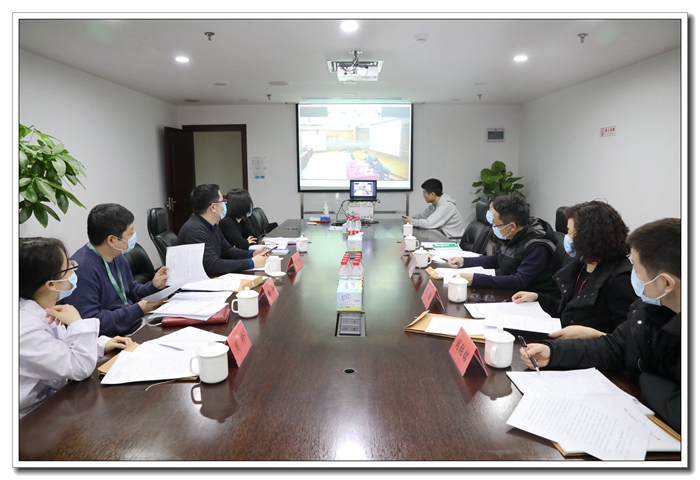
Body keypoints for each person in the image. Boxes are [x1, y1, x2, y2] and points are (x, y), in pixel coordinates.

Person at [520, 218, 681, 433]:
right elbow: (615, 346)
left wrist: (647, 381)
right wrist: (553, 352)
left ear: (666, 283)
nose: (632, 272)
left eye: (635, 268)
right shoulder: (649, 308)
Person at [19, 237, 132, 416]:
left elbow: (63, 347)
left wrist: (101, 344)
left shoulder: (41, 308)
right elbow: (79, 368)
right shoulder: (25, 330)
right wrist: (77, 323)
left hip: (54, 400)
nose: (74, 271)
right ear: (51, 284)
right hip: (30, 417)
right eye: (69, 267)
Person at [512, 201, 637, 339]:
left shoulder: (621, 279)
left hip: (589, 349)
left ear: (591, 239)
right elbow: (569, 311)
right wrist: (538, 298)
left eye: (572, 233)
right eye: (568, 232)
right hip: (566, 341)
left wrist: (591, 335)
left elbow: (628, 340)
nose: (567, 238)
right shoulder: (582, 264)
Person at [66, 203, 169, 337]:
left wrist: (153, 286)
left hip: (134, 324)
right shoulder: (82, 270)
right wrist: (140, 309)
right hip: (113, 338)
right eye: (130, 233)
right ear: (112, 240)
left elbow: (130, 290)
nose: (133, 236)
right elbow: (93, 323)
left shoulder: (116, 255)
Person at [448, 193, 561, 297]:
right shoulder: (517, 233)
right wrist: (464, 261)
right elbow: (497, 258)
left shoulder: (537, 247)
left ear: (512, 226)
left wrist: (475, 279)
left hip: (534, 301)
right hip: (514, 293)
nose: (493, 227)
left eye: (496, 225)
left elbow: (519, 281)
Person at [176, 184, 269, 277]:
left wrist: (252, 253)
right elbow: (213, 265)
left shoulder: (211, 224)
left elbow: (227, 250)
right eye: (222, 201)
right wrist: (251, 263)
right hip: (198, 280)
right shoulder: (195, 230)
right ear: (213, 207)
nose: (225, 205)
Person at [402, 178, 466, 239]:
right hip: (442, 237)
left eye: (424, 193)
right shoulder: (434, 205)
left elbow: (428, 224)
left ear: (432, 194)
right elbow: (423, 216)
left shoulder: (446, 206)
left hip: (452, 240)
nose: (424, 196)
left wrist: (411, 221)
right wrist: (412, 217)